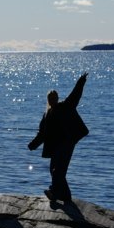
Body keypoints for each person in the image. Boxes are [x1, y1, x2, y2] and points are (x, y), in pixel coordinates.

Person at [27, 72, 89, 204]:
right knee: (55, 171)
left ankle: (55, 193)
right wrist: (33, 145)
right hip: (56, 147)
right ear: (48, 100)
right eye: (50, 98)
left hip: (67, 144)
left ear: (57, 98)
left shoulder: (65, 106)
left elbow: (75, 95)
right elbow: (42, 134)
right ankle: (65, 196)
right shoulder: (47, 115)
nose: (52, 99)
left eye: (54, 97)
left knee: (57, 171)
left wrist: (81, 82)